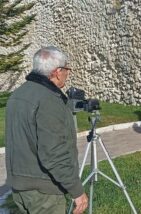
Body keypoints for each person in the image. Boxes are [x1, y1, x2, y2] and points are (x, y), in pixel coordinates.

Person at [5, 46, 88, 214]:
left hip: (20, 187)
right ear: (57, 72)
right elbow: (54, 152)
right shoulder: (48, 100)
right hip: (44, 192)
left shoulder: (18, 94)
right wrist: (76, 190)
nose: (67, 73)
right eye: (66, 69)